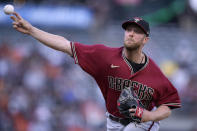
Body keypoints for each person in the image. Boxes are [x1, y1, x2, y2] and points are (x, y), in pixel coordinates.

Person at [10, 12, 181, 131]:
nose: (131, 34)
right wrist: (32, 30)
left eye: (137, 32)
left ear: (146, 40)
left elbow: (167, 106)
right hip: (112, 122)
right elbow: (64, 45)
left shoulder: (154, 73)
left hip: (141, 124)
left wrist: (149, 116)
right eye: (129, 29)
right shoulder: (104, 56)